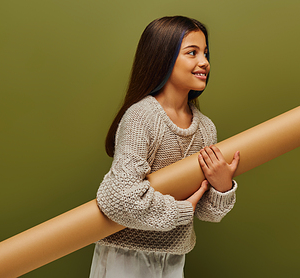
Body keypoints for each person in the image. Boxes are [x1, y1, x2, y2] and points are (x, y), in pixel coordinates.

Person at [89, 16, 240, 278]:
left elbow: (208, 212)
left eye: (205, 53)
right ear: (164, 58)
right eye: (192, 52)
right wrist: (182, 210)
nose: (204, 62)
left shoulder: (206, 129)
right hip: (126, 256)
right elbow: (117, 199)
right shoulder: (142, 117)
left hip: (173, 259)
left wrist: (223, 186)